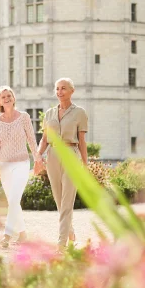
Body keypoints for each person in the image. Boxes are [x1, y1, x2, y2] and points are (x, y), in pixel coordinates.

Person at [37, 78, 89, 249]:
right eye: (57, 88)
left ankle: (61, 244)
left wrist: (85, 164)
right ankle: (70, 232)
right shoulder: (49, 113)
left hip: (71, 155)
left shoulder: (79, 112)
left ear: (71, 91)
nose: (59, 92)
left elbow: (82, 141)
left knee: (67, 202)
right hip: (52, 155)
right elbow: (44, 139)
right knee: (59, 200)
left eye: (63, 88)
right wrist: (38, 155)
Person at [0, 86, 42, 249]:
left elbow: (31, 139)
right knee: (13, 201)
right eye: (3, 96)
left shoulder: (24, 117)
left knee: (13, 199)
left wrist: (37, 158)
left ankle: (6, 235)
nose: (6, 98)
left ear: (13, 98)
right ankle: (23, 234)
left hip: (21, 163)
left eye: (9, 95)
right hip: (4, 165)